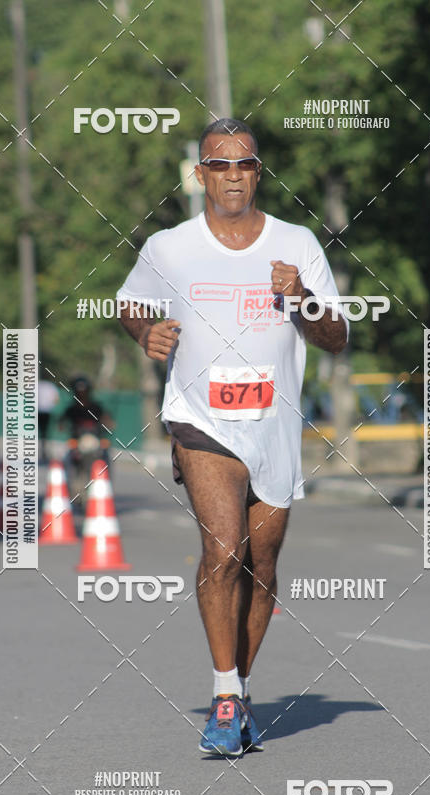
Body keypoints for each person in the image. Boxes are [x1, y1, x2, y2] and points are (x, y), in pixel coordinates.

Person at [118, 118, 348, 757]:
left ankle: (239, 687)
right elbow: (130, 303)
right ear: (201, 175)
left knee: (262, 563)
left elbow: (335, 337)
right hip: (201, 419)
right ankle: (223, 696)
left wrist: (301, 298)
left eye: (243, 165)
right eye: (219, 166)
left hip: (273, 426)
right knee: (224, 549)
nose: (232, 177)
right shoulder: (170, 247)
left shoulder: (297, 243)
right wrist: (146, 335)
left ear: (257, 171)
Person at [37, 379, 60, 463]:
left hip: (41, 411)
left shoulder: (37, 385)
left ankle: (44, 449)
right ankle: (43, 449)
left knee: (43, 432)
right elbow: (56, 399)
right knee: (45, 432)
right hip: (46, 411)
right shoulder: (50, 386)